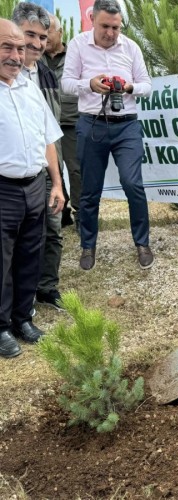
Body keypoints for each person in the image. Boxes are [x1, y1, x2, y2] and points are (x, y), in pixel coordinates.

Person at [61, 0, 153, 271]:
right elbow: (66, 84)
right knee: (90, 190)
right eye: (105, 26)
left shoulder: (131, 47)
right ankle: (88, 246)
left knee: (132, 183)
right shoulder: (78, 44)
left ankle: (142, 243)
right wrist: (89, 84)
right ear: (93, 21)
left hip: (127, 125)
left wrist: (129, 87)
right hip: (91, 123)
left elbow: (147, 85)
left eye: (115, 27)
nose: (111, 33)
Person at [0, 18, 64, 359]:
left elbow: (48, 138)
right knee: (2, 261)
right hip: (3, 189)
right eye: (6, 47)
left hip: (35, 186)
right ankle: (0, 327)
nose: (15, 55)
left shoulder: (28, 86)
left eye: (19, 48)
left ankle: (23, 318)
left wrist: (56, 183)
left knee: (29, 255)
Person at [12, 2, 65, 311]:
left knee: (52, 229)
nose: (36, 43)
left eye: (43, 37)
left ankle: (46, 287)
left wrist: (59, 178)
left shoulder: (45, 73)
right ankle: (19, 297)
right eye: (29, 34)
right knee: (18, 236)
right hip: (15, 174)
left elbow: (50, 129)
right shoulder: (7, 72)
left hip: (47, 168)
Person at [42, 14, 81, 234]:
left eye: (48, 31)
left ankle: (82, 215)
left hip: (71, 122)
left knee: (76, 171)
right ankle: (61, 212)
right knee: (52, 170)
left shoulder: (75, 56)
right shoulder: (36, 57)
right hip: (46, 125)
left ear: (60, 32)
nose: (44, 36)